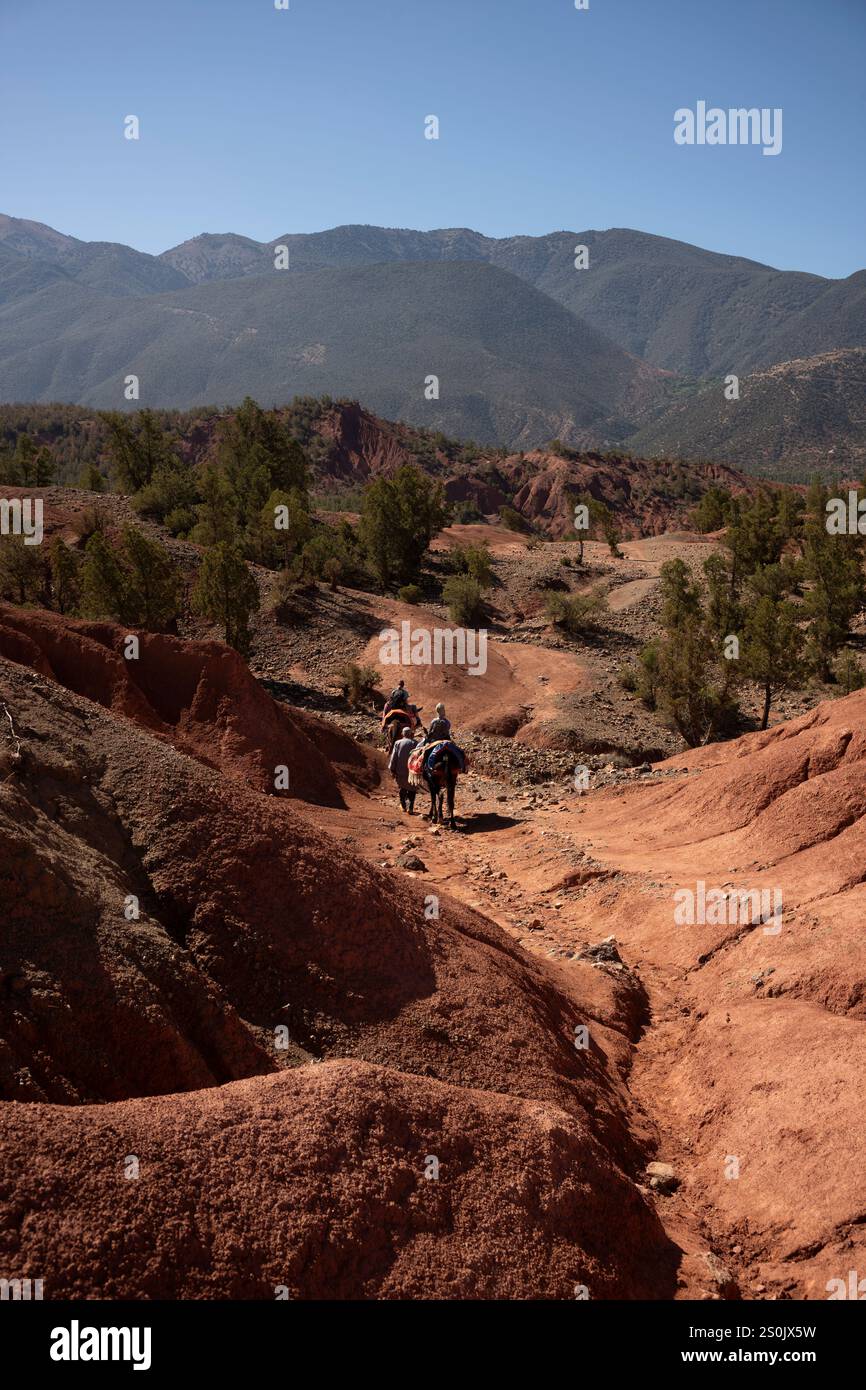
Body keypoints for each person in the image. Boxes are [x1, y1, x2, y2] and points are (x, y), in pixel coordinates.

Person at [423, 739, 466, 829]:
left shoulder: (434, 725)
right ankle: (452, 819)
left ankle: (436, 814)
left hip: (434, 741)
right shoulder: (447, 725)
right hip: (448, 741)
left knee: (424, 752)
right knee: (461, 752)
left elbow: (431, 732)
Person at [388, 726, 418, 814]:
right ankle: (411, 807)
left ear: (402, 734)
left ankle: (403, 806)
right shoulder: (416, 743)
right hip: (412, 771)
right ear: (411, 734)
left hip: (400, 771)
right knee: (412, 789)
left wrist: (392, 768)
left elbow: (394, 757)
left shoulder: (398, 743)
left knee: (402, 788)